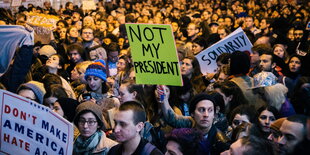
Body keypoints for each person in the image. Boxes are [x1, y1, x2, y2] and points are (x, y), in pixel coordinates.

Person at [160, 91, 230, 154]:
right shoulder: (189, 122)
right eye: (201, 110)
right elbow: (172, 118)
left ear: (214, 115)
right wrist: (163, 99)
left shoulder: (221, 142)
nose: (206, 114)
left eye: (210, 110)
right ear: (192, 113)